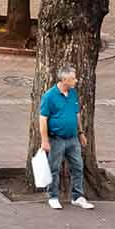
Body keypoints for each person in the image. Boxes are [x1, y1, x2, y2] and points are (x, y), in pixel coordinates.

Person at [37, 65, 93, 211]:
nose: (76, 80)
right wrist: (44, 140)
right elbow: (43, 119)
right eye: (73, 78)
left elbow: (77, 114)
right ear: (64, 79)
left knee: (78, 167)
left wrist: (80, 133)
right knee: (53, 168)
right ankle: (53, 197)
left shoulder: (73, 93)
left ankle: (77, 197)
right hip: (56, 139)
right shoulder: (49, 96)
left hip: (73, 138)